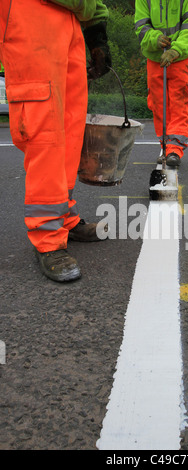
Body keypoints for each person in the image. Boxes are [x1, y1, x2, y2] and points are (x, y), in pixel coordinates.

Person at [0, 0, 112, 282]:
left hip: (71, 18)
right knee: (45, 133)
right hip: (29, 16)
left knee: (70, 131)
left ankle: (64, 219)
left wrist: (96, 33)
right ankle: (48, 237)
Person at [135, 0, 188, 167]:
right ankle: (165, 147)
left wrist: (176, 50)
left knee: (179, 103)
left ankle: (174, 150)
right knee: (158, 104)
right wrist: (155, 38)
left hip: (180, 58)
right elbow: (141, 26)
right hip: (155, 58)